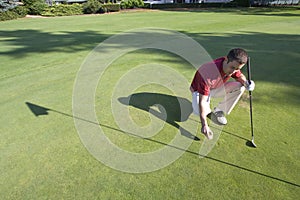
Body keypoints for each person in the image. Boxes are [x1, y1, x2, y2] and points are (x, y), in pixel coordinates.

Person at [190, 48, 255, 140]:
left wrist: (247, 83)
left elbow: (239, 76)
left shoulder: (233, 66)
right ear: (226, 60)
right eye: (232, 68)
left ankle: (219, 110)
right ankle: (206, 111)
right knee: (199, 111)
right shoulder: (208, 72)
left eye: (237, 69)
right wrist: (204, 125)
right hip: (198, 91)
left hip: (216, 87)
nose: (233, 71)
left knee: (240, 87)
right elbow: (202, 101)